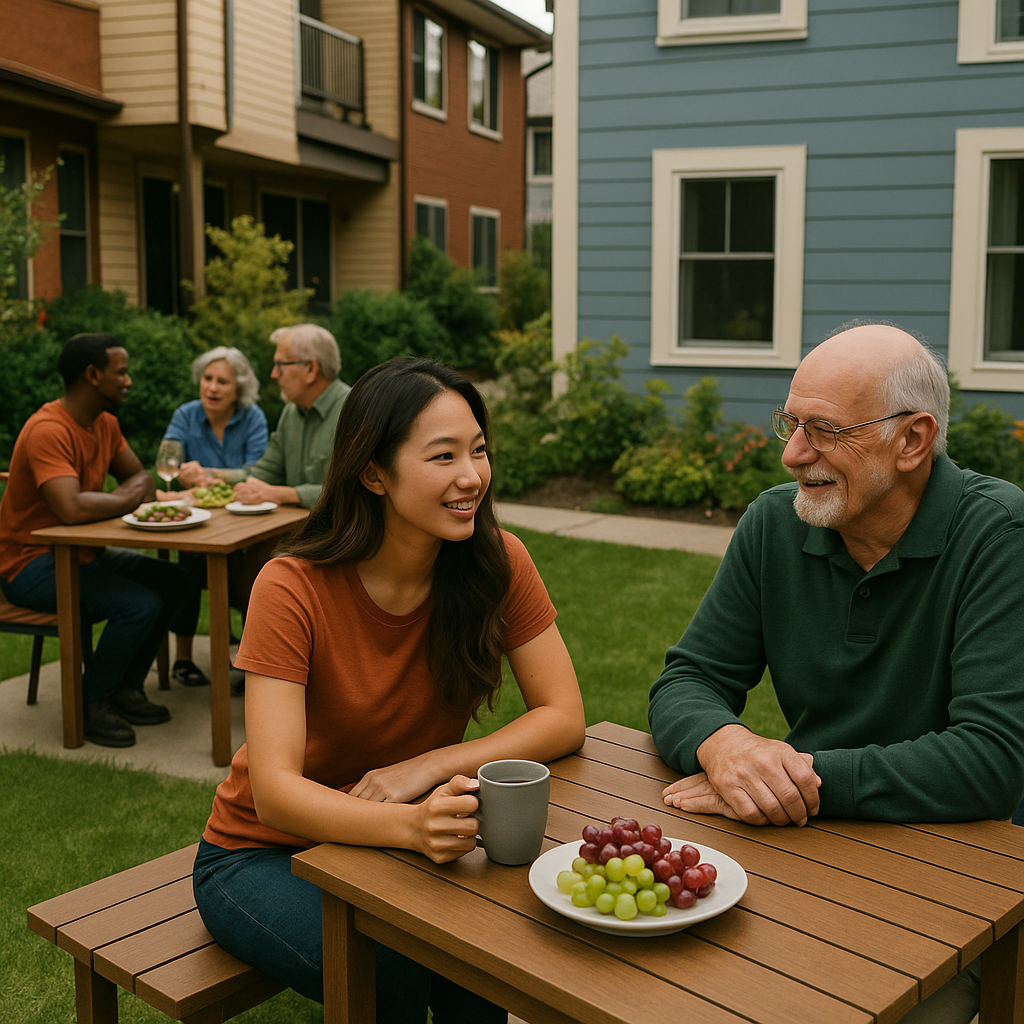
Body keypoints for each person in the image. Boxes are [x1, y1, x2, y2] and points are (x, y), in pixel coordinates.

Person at [648, 322, 1024, 1024]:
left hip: (961, 885)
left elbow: (991, 762)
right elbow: (687, 679)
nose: (793, 455)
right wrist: (726, 746)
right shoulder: (774, 525)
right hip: (811, 854)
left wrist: (798, 779)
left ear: (913, 440)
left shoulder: (998, 535)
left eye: (824, 431)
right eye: (791, 424)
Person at [193, 358, 586, 1021]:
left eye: (479, 450)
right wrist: (406, 824)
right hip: (260, 854)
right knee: (393, 962)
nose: (473, 477)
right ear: (373, 472)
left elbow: (563, 715)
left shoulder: (496, 561)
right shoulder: (291, 588)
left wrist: (426, 768)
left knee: (483, 955)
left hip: (399, 828)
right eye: (443, 456)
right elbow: (276, 794)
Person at [0, 334, 201, 748]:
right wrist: (124, 496)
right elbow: (71, 508)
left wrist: (118, 497)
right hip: (30, 563)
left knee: (178, 582)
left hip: (85, 552)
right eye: (121, 372)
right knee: (138, 605)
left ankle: (124, 689)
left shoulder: (105, 423)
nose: (128, 381)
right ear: (92, 375)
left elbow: (141, 479)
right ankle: (91, 703)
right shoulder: (47, 430)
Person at [160, 346, 268, 687]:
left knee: (251, 570)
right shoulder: (185, 415)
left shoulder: (253, 417)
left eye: (222, 381)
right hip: (198, 521)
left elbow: (257, 470)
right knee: (188, 565)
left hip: (244, 521)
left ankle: (250, 655)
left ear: (239, 387)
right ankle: (183, 658)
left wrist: (211, 473)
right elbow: (168, 465)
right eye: (208, 379)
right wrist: (184, 476)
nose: (212, 388)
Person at [231, 323, 350, 510]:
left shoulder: (354, 410)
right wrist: (213, 479)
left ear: (311, 369)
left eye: (281, 365)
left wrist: (285, 494)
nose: (273, 374)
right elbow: (264, 474)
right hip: (296, 531)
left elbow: (353, 492)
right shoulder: (291, 411)